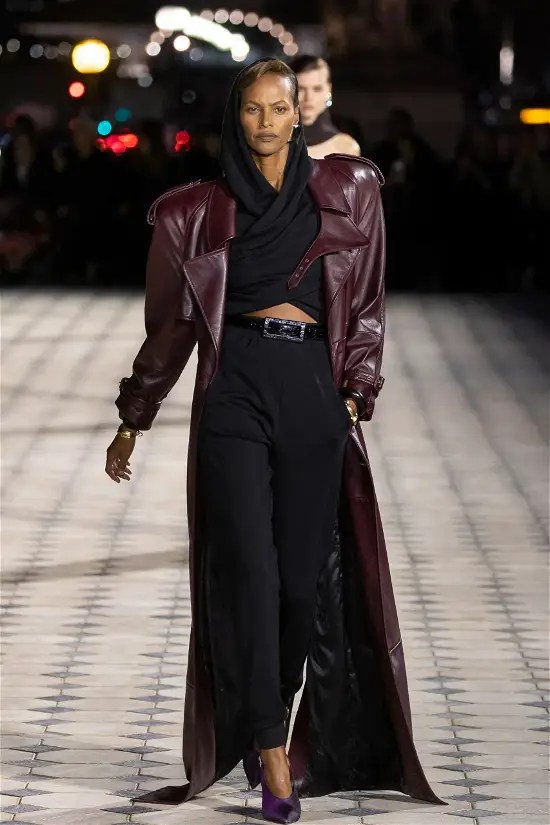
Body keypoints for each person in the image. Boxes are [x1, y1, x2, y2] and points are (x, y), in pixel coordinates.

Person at [105, 58, 445, 822]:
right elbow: (173, 327)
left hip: (313, 393)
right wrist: (135, 414)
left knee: (298, 586)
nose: (265, 121)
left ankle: (278, 717)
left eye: (277, 108)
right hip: (236, 390)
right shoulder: (198, 210)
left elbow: (366, 303)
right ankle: (269, 748)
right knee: (252, 576)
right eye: (252, 109)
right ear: (238, 117)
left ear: (299, 114)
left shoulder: (348, 191)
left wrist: (356, 391)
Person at [290, 55, 361, 159]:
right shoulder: (271, 144)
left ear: (329, 90)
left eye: (317, 89)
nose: (308, 97)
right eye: (301, 89)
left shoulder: (346, 148)